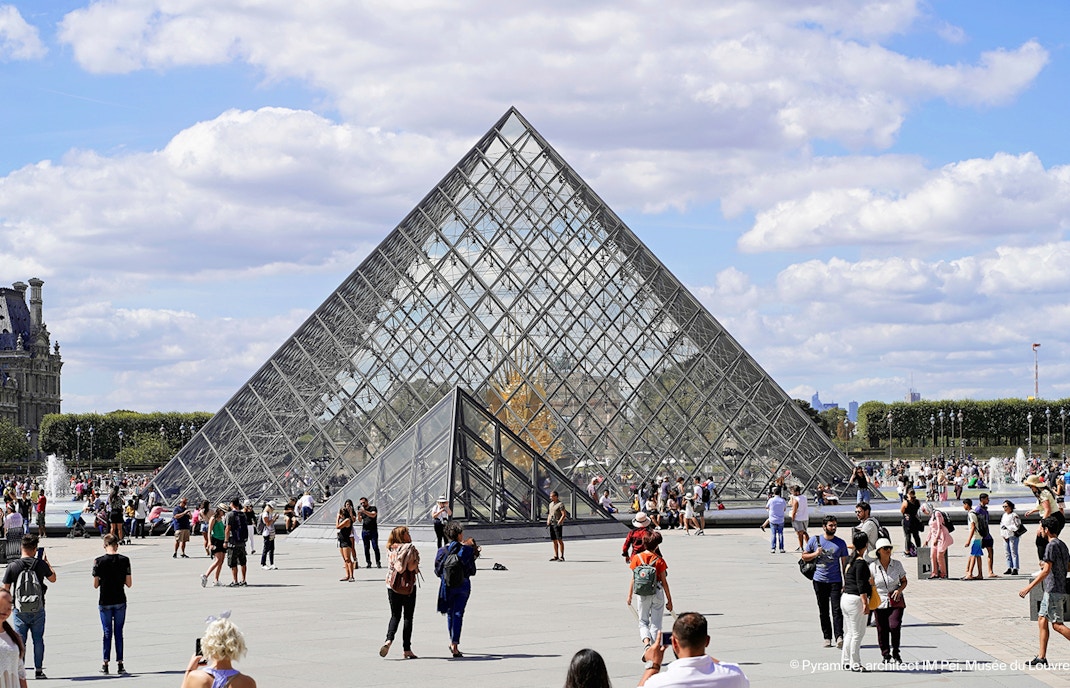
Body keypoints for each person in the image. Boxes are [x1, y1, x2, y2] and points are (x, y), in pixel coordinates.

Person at [638, 612, 748, 687]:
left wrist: (654, 666)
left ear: (674, 643)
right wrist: (705, 658)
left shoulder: (660, 683)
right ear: (707, 641)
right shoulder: (734, 675)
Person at [1, 535, 56, 680]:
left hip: (19, 609)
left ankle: (20, 672)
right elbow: (53, 579)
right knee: (38, 639)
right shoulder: (40, 564)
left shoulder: (13, 566)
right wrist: (47, 562)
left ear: (21, 547)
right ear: (35, 549)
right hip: (38, 608)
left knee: (20, 641)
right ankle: (39, 671)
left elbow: (5, 589)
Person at [1018, 515, 1070, 667]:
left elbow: (1046, 571)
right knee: (1042, 619)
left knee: (1057, 625)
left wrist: (1028, 587)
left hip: (1053, 589)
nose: (1039, 530)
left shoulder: (1051, 546)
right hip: (1059, 588)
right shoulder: (1062, 544)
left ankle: (1042, 656)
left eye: (1041, 527)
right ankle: (1041, 656)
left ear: (1046, 530)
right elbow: (1067, 566)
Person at [800, 514, 847, 649]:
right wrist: (816, 554)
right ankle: (827, 637)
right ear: (824, 527)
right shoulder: (814, 540)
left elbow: (845, 564)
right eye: (831, 525)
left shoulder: (841, 543)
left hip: (835, 581)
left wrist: (846, 582)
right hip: (819, 580)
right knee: (823, 610)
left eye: (835, 525)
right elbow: (804, 556)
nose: (833, 528)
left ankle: (839, 636)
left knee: (837, 610)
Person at [434, 522, 478, 658]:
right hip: (463, 585)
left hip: (447, 586)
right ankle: (454, 643)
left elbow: (437, 571)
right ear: (459, 535)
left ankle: (452, 641)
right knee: (458, 613)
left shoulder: (442, 551)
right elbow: (472, 570)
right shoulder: (467, 550)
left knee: (450, 613)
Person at [180, 614, 256, 688]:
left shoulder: (196, 678)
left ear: (207, 644)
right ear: (237, 644)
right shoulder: (247, 682)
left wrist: (189, 670)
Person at [92, 533, 131, 675]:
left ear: (104, 545)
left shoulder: (98, 561)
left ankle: (105, 663)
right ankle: (120, 664)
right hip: (120, 599)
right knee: (119, 632)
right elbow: (129, 583)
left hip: (105, 600)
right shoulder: (125, 560)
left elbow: (95, 585)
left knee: (107, 632)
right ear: (117, 545)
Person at [627, 531, 673, 650]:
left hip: (642, 593)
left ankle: (647, 644)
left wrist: (629, 595)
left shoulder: (637, 558)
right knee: (656, 623)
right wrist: (669, 600)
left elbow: (633, 578)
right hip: (657, 592)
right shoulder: (659, 560)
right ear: (657, 545)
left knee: (643, 621)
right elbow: (664, 582)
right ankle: (654, 649)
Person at [380, 525, 419, 660]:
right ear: (403, 536)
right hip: (407, 586)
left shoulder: (390, 548)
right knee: (408, 617)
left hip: (391, 585)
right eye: (407, 533)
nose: (409, 535)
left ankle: (388, 640)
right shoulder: (409, 548)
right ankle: (407, 649)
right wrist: (416, 560)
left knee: (395, 615)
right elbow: (411, 567)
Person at [869, 538, 907, 664]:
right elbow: (870, 584)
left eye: (889, 548)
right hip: (879, 600)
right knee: (882, 629)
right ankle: (885, 654)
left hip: (895, 600)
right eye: (885, 548)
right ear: (878, 551)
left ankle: (896, 651)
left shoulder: (897, 564)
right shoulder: (873, 567)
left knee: (894, 626)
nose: (888, 550)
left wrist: (899, 590)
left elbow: (904, 581)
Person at [840, 531, 871, 672]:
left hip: (846, 598)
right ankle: (855, 663)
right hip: (855, 599)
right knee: (858, 633)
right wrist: (865, 603)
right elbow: (861, 584)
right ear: (866, 545)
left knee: (850, 632)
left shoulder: (850, 560)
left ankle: (846, 661)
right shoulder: (861, 563)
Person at [1024, 475, 1062, 569]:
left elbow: (1048, 510)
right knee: (1047, 542)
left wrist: (1041, 525)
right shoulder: (1042, 492)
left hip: (1053, 518)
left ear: (1035, 485)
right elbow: (1044, 506)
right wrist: (1033, 510)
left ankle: (1044, 566)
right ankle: (1049, 565)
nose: (1030, 488)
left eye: (1030, 486)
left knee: (1041, 542)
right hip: (1054, 517)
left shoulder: (1043, 493)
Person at [0, 589, 26, 687]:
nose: (6, 609)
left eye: (9, 605)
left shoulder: (14, 637)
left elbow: (20, 672)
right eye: (1, 603)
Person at [223, 498, 249, 587]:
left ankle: (235, 581)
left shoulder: (230, 514)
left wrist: (226, 541)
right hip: (242, 542)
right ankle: (244, 580)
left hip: (233, 542)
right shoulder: (243, 514)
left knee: (233, 562)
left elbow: (227, 528)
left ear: (232, 504)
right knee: (243, 562)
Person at [923, 507, 953, 579]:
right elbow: (931, 530)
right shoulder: (931, 516)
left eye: (924, 510)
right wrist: (927, 540)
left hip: (942, 537)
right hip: (934, 537)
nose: (924, 512)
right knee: (932, 555)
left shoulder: (937, 513)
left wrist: (936, 538)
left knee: (940, 555)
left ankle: (943, 573)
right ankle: (934, 573)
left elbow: (940, 527)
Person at [201, 506, 227, 588]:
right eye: (223, 511)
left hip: (222, 540)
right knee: (218, 560)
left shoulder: (222, 519)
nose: (224, 513)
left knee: (221, 561)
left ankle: (216, 580)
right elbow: (209, 531)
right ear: (219, 510)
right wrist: (209, 542)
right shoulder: (213, 518)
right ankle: (206, 575)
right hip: (216, 540)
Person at [961, 498, 984, 580]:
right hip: (978, 536)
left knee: (973, 555)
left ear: (967, 504)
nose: (963, 506)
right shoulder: (974, 512)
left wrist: (968, 540)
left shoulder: (971, 514)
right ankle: (980, 574)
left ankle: (970, 574)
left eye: (964, 504)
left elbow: (973, 527)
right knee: (977, 555)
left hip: (976, 537)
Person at [975, 493, 997, 578]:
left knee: (990, 551)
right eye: (987, 499)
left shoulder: (985, 509)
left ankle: (990, 571)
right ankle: (979, 573)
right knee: (976, 553)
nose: (988, 500)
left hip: (986, 533)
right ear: (982, 499)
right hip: (981, 534)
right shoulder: (978, 510)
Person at [1000, 500, 1022, 575]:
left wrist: (1008, 527)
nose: (1004, 508)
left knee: (1014, 552)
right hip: (1005, 535)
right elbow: (1001, 525)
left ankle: (1015, 568)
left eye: (1006, 506)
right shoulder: (1004, 515)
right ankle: (1009, 567)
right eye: (1003, 506)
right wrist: (1003, 534)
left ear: (1010, 507)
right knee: (1007, 552)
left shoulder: (1014, 515)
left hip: (1013, 535)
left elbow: (1017, 525)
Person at [357, 497, 381, 568]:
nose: (362, 504)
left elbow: (373, 515)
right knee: (366, 548)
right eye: (361, 503)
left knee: (375, 546)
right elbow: (360, 520)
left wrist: (364, 511)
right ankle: (368, 562)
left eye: (363, 502)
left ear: (367, 502)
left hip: (373, 531)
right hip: (365, 531)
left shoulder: (373, 508)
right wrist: (359, 514)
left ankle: (378, 561)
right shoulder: (362, 511)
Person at [899, 489, 922, 556]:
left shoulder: (906, 502)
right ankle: (919, 549)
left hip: (908, 520)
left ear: (908, 494)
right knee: (916, 536)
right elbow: (917, 510)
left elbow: (902, 511)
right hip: (915, 520)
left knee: (907, 536)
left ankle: (907, 551)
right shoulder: (917, 501)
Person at [336, 506, 356, 582]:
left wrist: (337, 518)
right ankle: (347, 575)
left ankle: (351, 576)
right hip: (342, 540)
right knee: (345, 559)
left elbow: (337, 527)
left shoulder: (347, 520)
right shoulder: (344, 520)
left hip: (346, 541)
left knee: (348, 559)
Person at [547, 491, 568, 561]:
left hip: (557, 524)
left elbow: (564, 514)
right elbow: (550, 513)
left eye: (552, 496)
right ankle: (556, 555)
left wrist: (560, 521)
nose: (550, 497)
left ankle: (562, 556)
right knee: (554, 540)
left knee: (559, 540)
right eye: (550, 496)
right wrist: (548, 520)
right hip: (552, 523)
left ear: (556, 496)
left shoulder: (560, 504)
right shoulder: (550, 504)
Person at [764, 489, 786, 554]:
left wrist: (770, 510)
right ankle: (781, 548)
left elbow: (766, 507)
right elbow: (784, 509)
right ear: (780, 493)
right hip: (780, 519)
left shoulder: (771, 500)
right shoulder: (782, 500)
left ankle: (773, 548)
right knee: (780, 534)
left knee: (773, 534)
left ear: (774, 493)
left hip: (772, 519)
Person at [789, 485, 809, 552]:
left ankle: (801, 547)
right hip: (805, 517)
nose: (792, 493)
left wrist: (792, 519)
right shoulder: (804, 497)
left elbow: (794, 511)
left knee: (799, 533)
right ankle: (809, 546)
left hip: (798, 518)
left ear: (796, 492)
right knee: (804, 532)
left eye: (792, 491)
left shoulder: (796, 500)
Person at [259, 503, 278, 570]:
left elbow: (271, 523)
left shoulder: (269, 513)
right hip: (266, 533)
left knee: (272, 549)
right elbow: (267, 523)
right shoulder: (265, 514)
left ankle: (272, 563)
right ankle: (263, 563)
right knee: (266, 549)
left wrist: (274, 519)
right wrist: (273, 519)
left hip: (271, 532)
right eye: (272, 508)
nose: (273, 510)